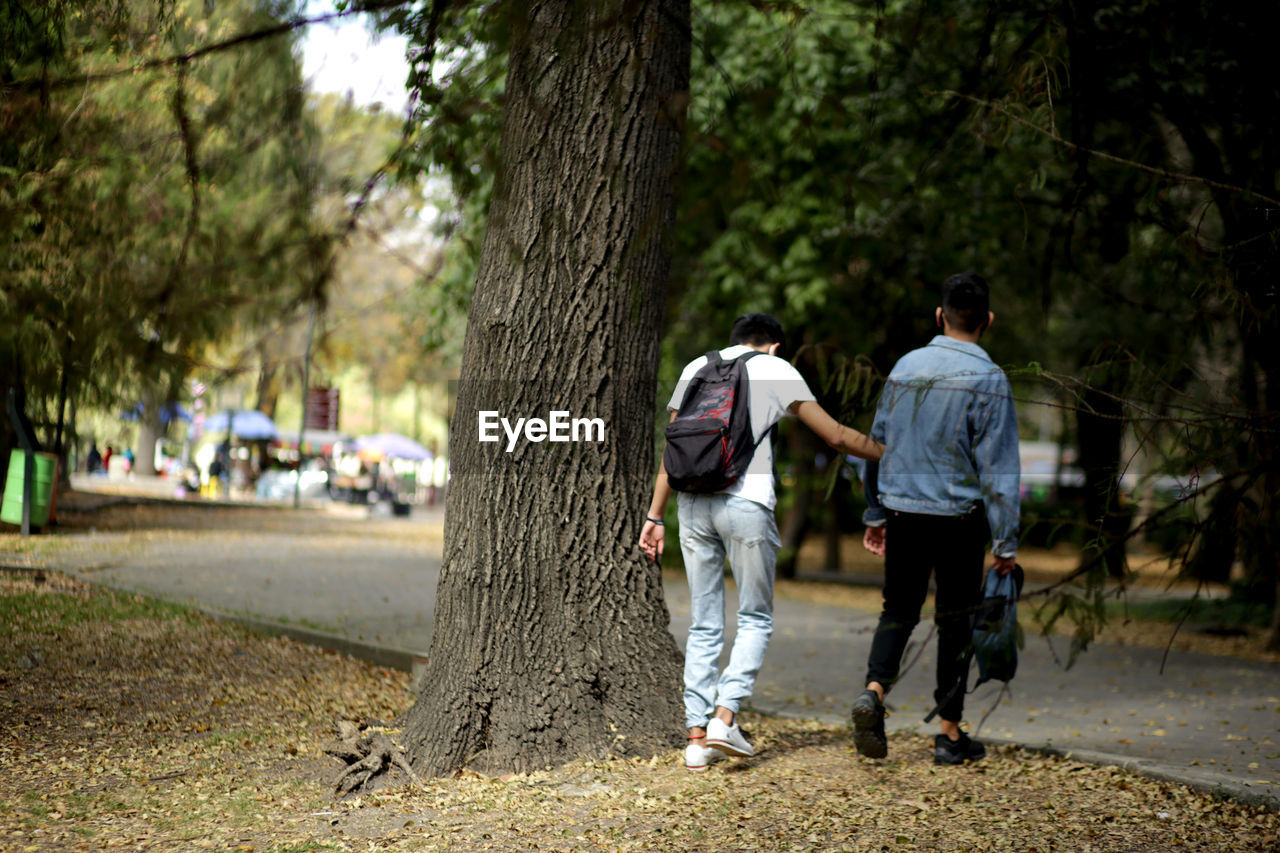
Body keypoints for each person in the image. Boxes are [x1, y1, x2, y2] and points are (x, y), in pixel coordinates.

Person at [639, 313, 884, 772]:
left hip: (691, 506)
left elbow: (672, 452)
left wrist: (655, 516)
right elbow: (835, 436)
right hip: (745, 504)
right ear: (773, 346)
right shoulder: (776, 369)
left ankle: (696, 738)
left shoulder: (696, 367)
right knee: (754, 617)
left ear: (734, 341)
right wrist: (890, 454)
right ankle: (724, 718)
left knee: (704, 622)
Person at [851, 272, 1021, 766]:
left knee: (898, 610)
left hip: (904, 513)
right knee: (955, 623)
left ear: (939, 316)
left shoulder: (906, 366)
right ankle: (949, 735)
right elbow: (1000, 469)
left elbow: (875, 446)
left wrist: (876, 511)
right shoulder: (990, 378)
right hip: (959, 521)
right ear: (987, 321)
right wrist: (1006, 545)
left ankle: (875, 693)